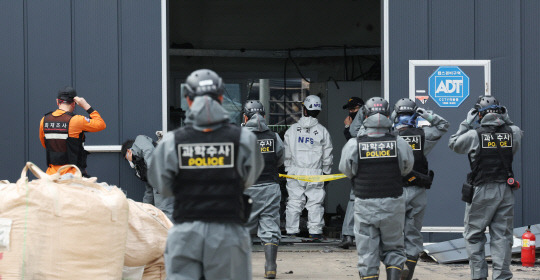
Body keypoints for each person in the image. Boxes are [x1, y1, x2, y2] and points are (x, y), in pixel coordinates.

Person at [147, 69, 264, 280]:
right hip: (228, 233)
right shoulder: (243, 139)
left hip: (185, 232)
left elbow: (161, 185)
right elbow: (250, 178)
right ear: (220, 97)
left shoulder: (172, 142)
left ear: (188, 100)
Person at [339, 97, 414, 280]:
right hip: (394, 202)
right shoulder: (400, 142)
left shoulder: (353, 144)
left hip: (365, 203)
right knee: (394, 247)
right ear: (389, 115)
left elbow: (347, 170)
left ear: (364, 115)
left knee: (367, 251)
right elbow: (406, 168)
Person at [449, 96, 522, 280]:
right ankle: (502, 276)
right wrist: (507, 119)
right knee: (502, 236)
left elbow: (454, 144)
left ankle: (479, 276)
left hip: (482, 190)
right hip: (506, 190)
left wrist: (466, 122)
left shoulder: (474, 135)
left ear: (479, 114)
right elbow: (515, 132)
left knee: (474, 235)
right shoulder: (513, 132)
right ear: (500, 111)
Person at [391, 98, 449, 280]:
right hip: (417, 191)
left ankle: (394, 272)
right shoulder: (423, 136)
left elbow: (360, 134)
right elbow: (443, 126)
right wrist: (428, 115)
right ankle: (407, 274)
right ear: (415, 116)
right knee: (413, 234)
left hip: (394, 192)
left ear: (395, 115)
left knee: (392, 234)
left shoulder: (388, 136)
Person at [242, 100, 284, 279]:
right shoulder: (274, 136)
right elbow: (280, 159)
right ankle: (270, 267)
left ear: (245, 117)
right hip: (270, 188)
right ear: (264, 116)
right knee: (270, 226)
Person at [283, 95, 333, 240]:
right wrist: (326, 173)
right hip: (315, 173)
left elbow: (287, 153)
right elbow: (327, 155)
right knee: (315, 203)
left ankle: (292, 232)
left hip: (295, 172)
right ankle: (315, 232)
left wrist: (288, 170)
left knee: (294, 202)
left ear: (304, 109)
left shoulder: (292, 130)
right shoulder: (323, 131)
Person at [39, 86, 106, 176]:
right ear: (74, 103)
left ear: (57, 101)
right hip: (73, 177)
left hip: (51, 176)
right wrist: (86, 106)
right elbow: (101, 124)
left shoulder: (44, 120)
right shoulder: (76, 120)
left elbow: (45, 144)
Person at [121, 135, 174, 221]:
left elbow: (149, 152)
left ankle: (167, 233)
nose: (128, 161)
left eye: (126, 157)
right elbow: (149, 190)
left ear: (128, 151)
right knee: (163, 212)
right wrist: (144, 210)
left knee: (165, 212)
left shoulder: (140, 140)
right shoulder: (140, 164)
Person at [339, 96, 364, 249]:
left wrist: (349, 128)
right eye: (350, 109)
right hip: (363, 169)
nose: (351, 112)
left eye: (354, 109)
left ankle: (350, 234)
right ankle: (349, 235)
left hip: (372, 170)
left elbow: (353, 138)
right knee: (354, 200)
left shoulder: (365, 125)